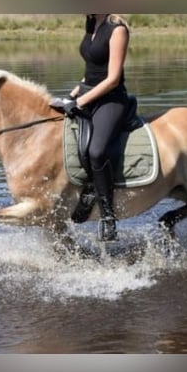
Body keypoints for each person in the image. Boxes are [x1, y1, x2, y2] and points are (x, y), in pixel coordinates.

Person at [56, 14, 131, 241]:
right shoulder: (91, 24)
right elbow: (92, 70)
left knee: (96, 151)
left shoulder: (117, 29)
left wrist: (80, 102)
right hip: (86, 94)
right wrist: (70, 95)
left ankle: (108, 217)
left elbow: (112, 79)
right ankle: (86, 189)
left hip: (111, 100)